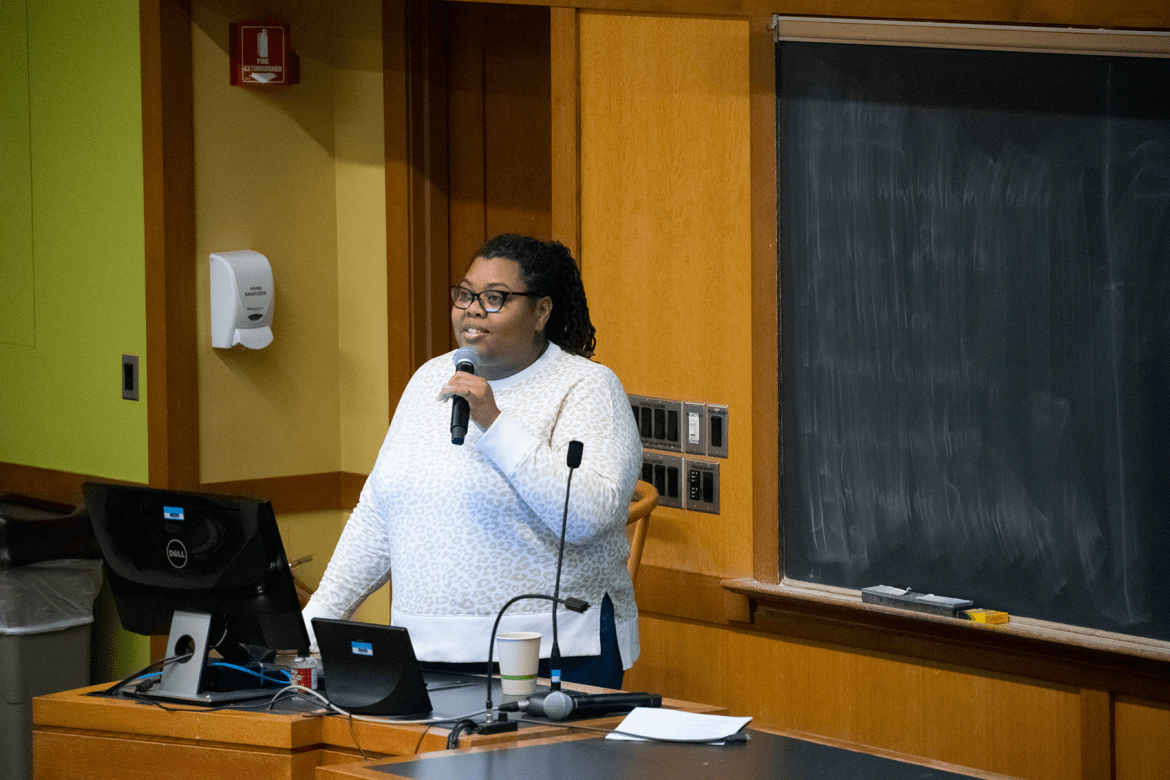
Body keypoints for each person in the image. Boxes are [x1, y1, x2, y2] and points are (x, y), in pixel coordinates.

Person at [302, 234, 643, 689]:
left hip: (550, 651)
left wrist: (494, 421)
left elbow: (588, 516)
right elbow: (380, 514)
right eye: (465, 295)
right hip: (424, 649)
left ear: (541, 312)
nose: (472, 310)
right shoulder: (430, 378)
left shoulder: (586, 386)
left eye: (495, 299)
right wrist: (317, 618)